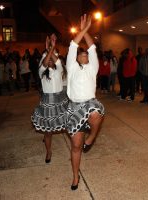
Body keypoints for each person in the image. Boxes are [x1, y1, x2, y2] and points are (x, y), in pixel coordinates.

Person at [66, 14, 104, 190]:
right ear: (76, 58)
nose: (83, 56)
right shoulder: (71, 67)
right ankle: (75, 177)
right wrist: (82, 30)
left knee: (97, 111)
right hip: (74, 107)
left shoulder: (92, 67)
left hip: (89, 104)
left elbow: (92, 47)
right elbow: (74, 44)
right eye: (80, 55)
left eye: (85, 55)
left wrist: (87, 31)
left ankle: (92, 137)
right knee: (75, 146)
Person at [31, 34, 68, 164]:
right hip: (47, 102)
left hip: (60, 101)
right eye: (49, 57)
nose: (51, 59)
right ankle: (48, 151)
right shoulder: (42, 72)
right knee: (48, 132)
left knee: (67, 126)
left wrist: (50, 48)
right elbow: (45, 62)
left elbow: (56, 61)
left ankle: (75, 147)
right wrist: (49, 49)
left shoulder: (59, 70)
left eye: (53, 57)